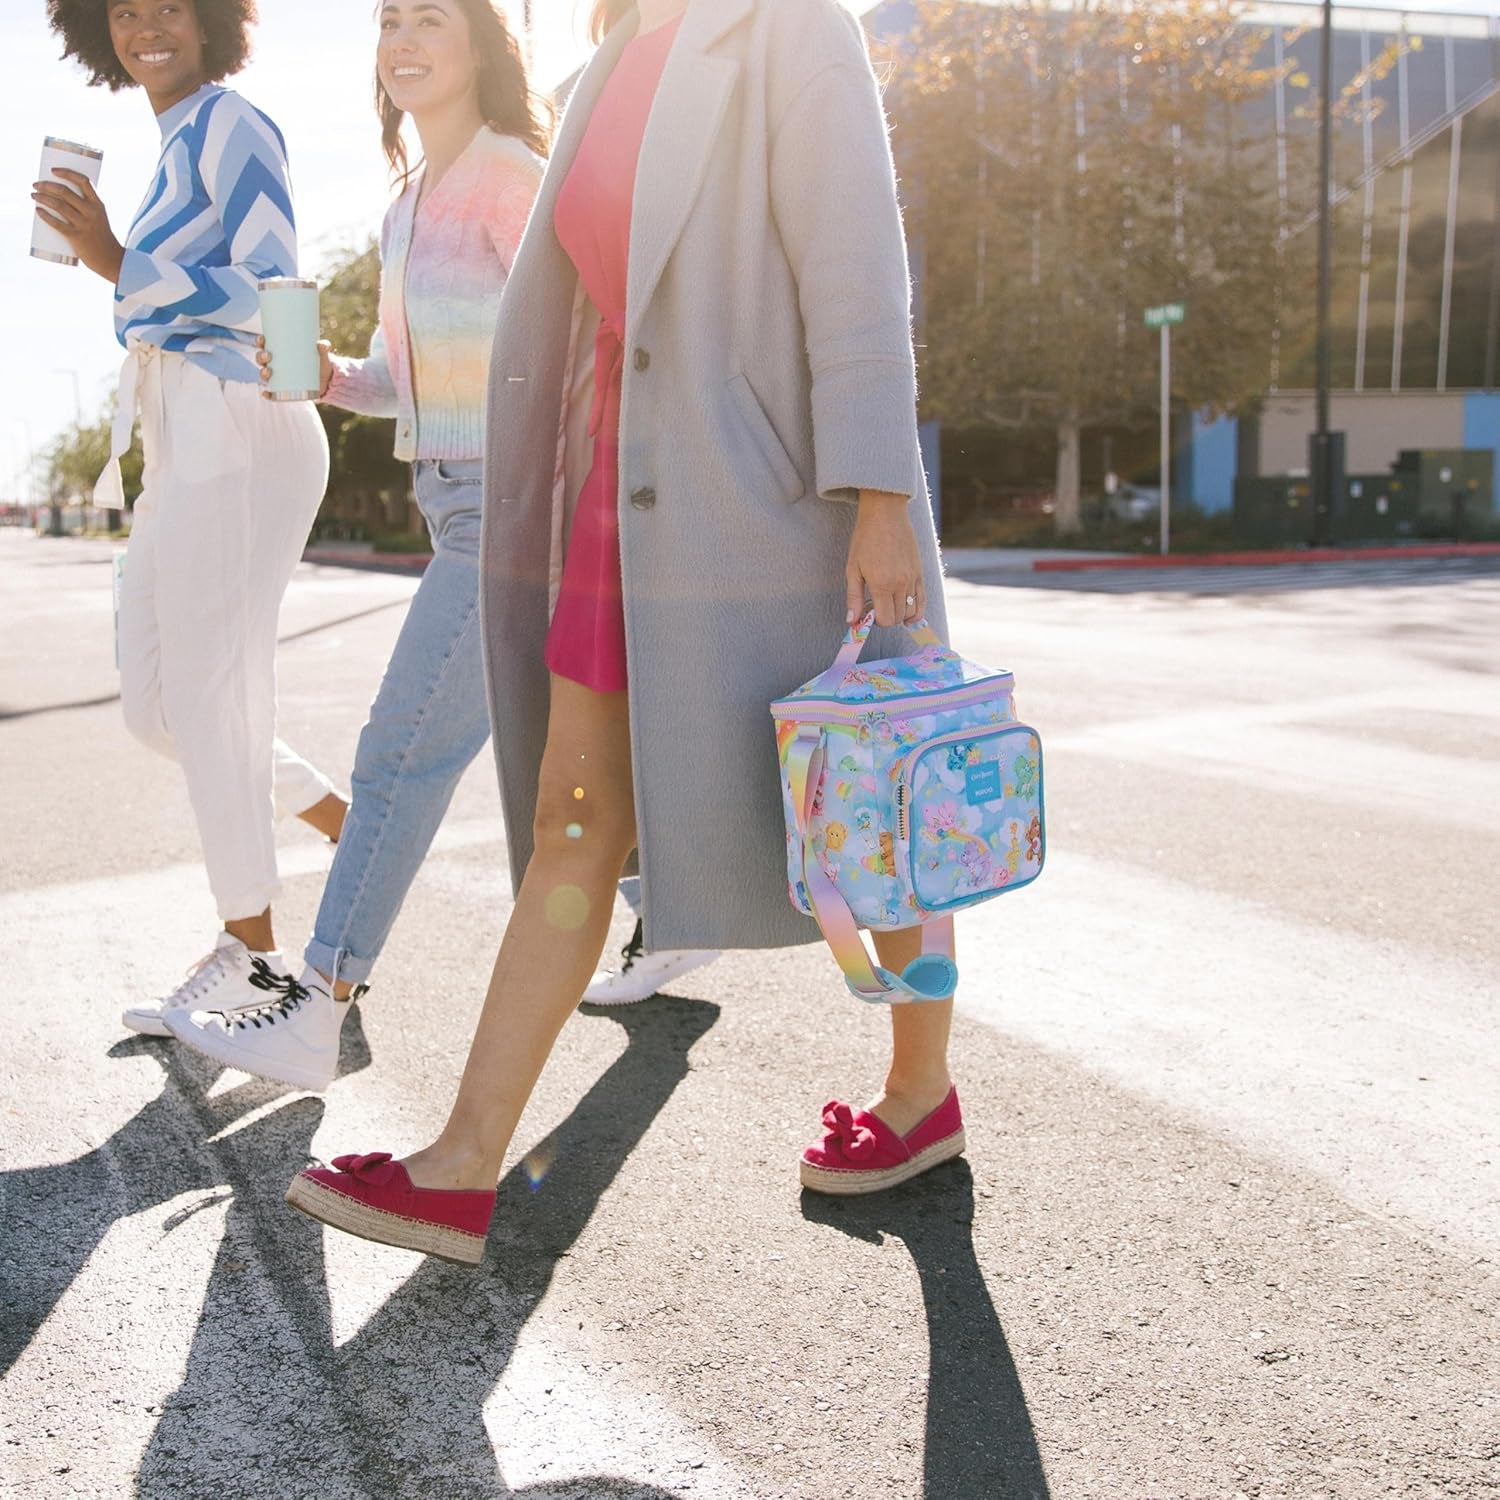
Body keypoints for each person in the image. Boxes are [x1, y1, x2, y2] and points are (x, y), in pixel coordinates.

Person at [287, 0, 959, 1267]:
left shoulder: (785, 28)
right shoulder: (606, 64)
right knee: (571, 825)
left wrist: (881, 498)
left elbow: (857, 265)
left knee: (874, 805)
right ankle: (462, 1165)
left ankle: (921, 1095)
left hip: (771, 500)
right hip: (617, 504)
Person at [164, 0, 550, 1091]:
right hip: (455, 501)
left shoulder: (511, 175)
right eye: (388, 21)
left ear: (482, 47)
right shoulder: (406, 206)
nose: (404, 40)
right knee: (555, 760)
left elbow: (580, 343)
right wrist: (331, 379)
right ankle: (662, 912)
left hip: (511, 509)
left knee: (398, 751)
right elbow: (415, 381)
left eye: (431, 18)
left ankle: (319, 1002)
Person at [40, 0, 347, 1037]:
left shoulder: (231, 123)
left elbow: (275, 293)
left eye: (169, 3)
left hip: (234, 424)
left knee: (213, 701)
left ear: (214, 19)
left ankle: (255, 963)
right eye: (124, 10)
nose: (146, 24)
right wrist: (114, 256)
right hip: (182, 435)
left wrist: (118, 260)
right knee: (156, 705)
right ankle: (347, 825)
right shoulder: (173, 147)